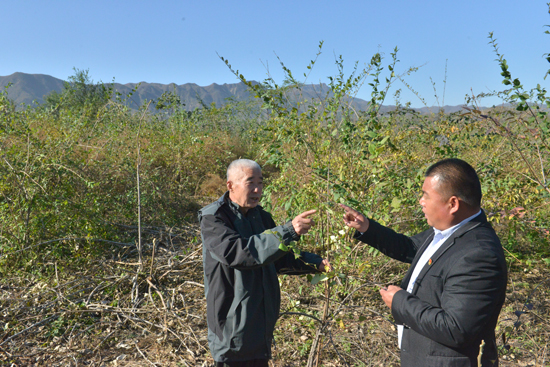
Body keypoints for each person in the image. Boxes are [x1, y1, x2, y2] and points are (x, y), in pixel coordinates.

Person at [341, 158, 507, 367]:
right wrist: (367, 228)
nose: (421, 201)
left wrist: (400, 302)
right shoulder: (446, 232)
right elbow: (410, 247)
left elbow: (456, 329)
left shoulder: (478, 254)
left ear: (453, 203)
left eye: (426, 195)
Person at [199, 159, 330, 367]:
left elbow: (280, 257)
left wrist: (317, 263)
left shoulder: (260, 216)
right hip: (231, 329)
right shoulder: (213, 218)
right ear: (230, 185)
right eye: (251, 183)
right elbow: (238, 253)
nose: (258, 189)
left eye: (261, 183)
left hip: (260, 330)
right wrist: (287, 232)